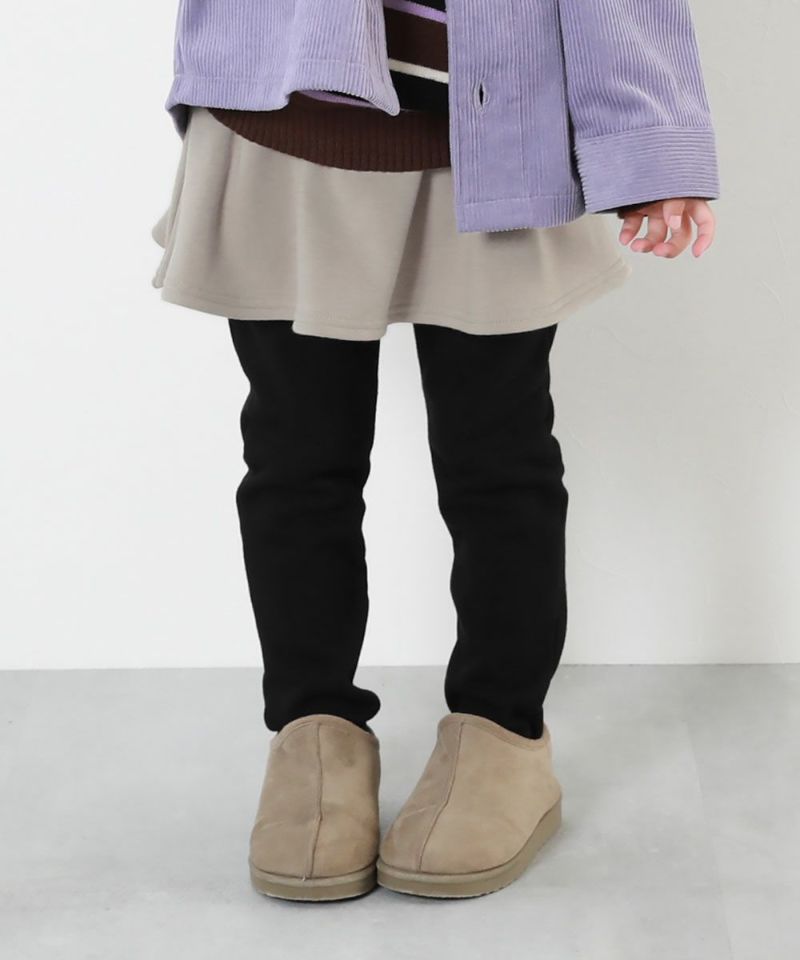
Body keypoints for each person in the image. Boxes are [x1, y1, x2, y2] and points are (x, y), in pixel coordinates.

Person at [151, 0, 719, 901]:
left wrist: (651, 141)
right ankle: (312, 730)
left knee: (498, 459)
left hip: (495, 129)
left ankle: (502, 734)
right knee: (296, 455)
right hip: (278, 104)